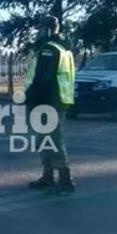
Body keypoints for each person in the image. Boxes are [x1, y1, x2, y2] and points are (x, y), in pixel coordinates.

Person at [24, 15, 76, 194]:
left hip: (48, 100)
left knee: (53, 140)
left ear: (47, 29)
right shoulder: (63, 48)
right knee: (46, 139)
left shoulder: (49, 49)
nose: (38, 32)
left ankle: (65, 179)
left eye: (40, 28)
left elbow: (42, 79)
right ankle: (48, 176)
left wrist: (29, 98)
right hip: (58, 100)